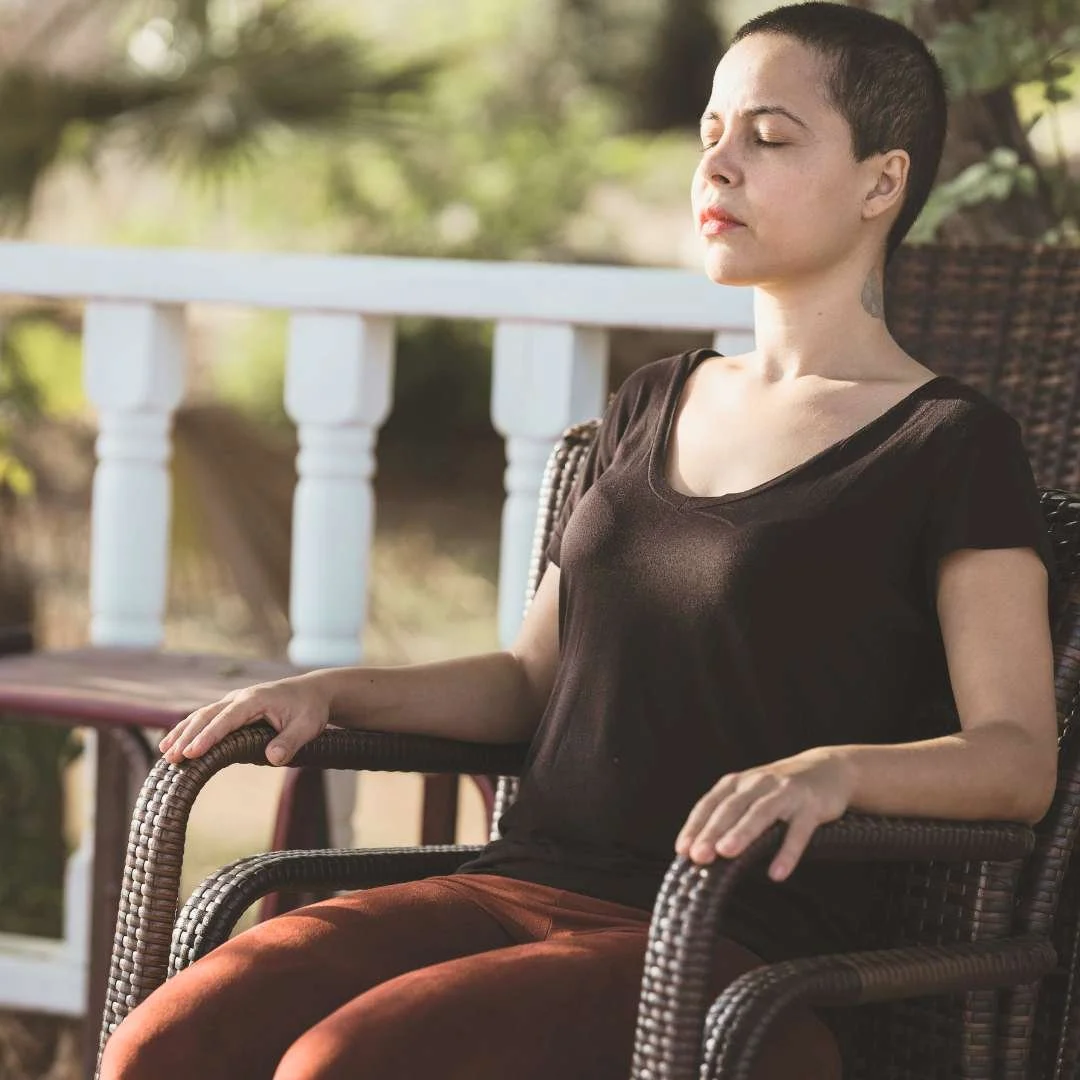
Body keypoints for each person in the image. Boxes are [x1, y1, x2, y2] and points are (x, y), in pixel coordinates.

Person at [99, 4, 1061, 1079]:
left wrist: (835, 773)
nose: (720, 167)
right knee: (167, 1043)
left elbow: (1017, 759)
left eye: (771, 138)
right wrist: (335, 690)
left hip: (731, 943)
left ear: (882, 183)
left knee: (347, 1064)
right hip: (516, 886)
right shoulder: (652, 401)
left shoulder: (950, 445)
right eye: (711, 134)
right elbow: (530, 681)